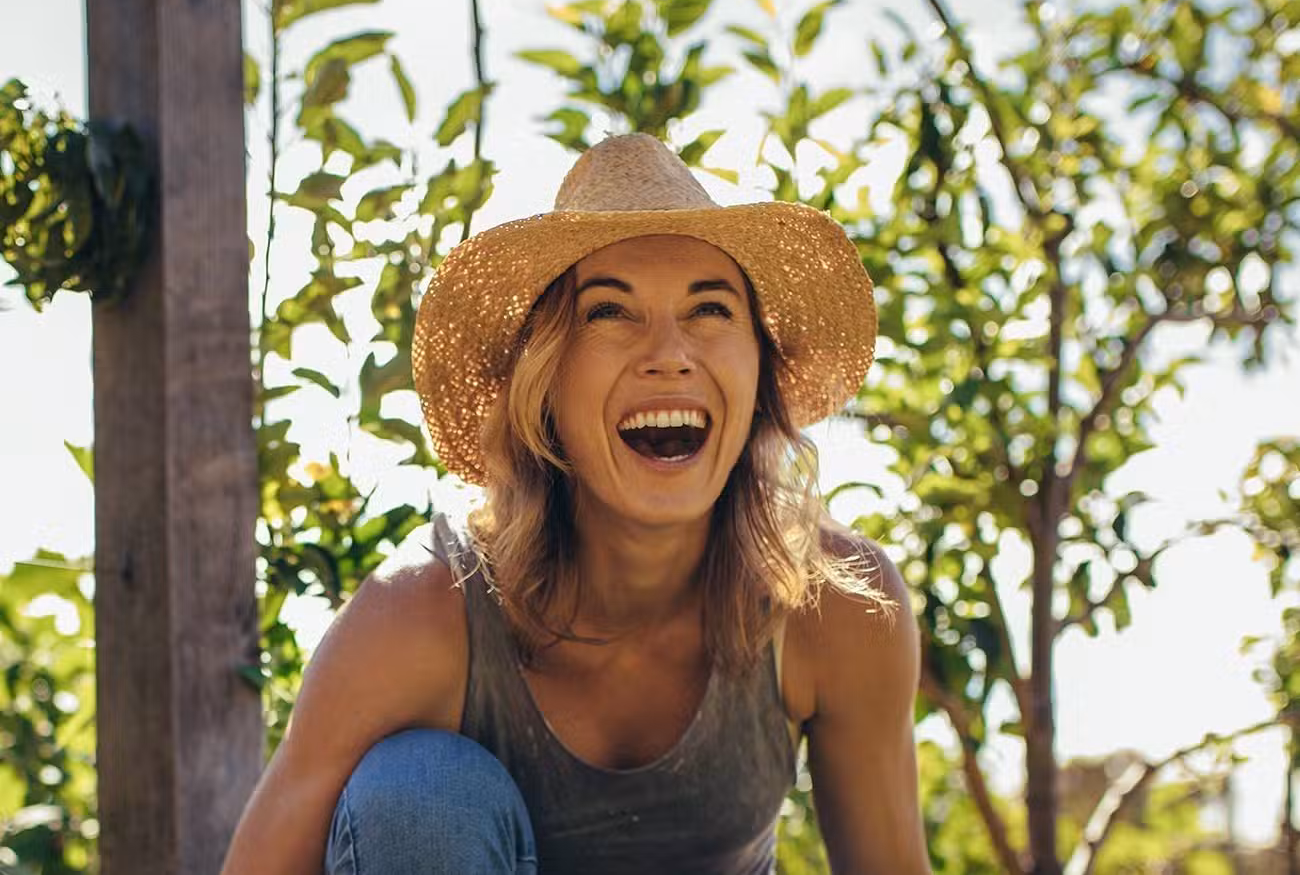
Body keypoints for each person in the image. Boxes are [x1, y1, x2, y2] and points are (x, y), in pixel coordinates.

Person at [220, 133, 929, 874]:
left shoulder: (840, 606)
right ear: (546, 387)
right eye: (609, 313)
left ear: (760, 379)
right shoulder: (421, 617)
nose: (669, 352)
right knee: (420, 793)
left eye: (710, 310)